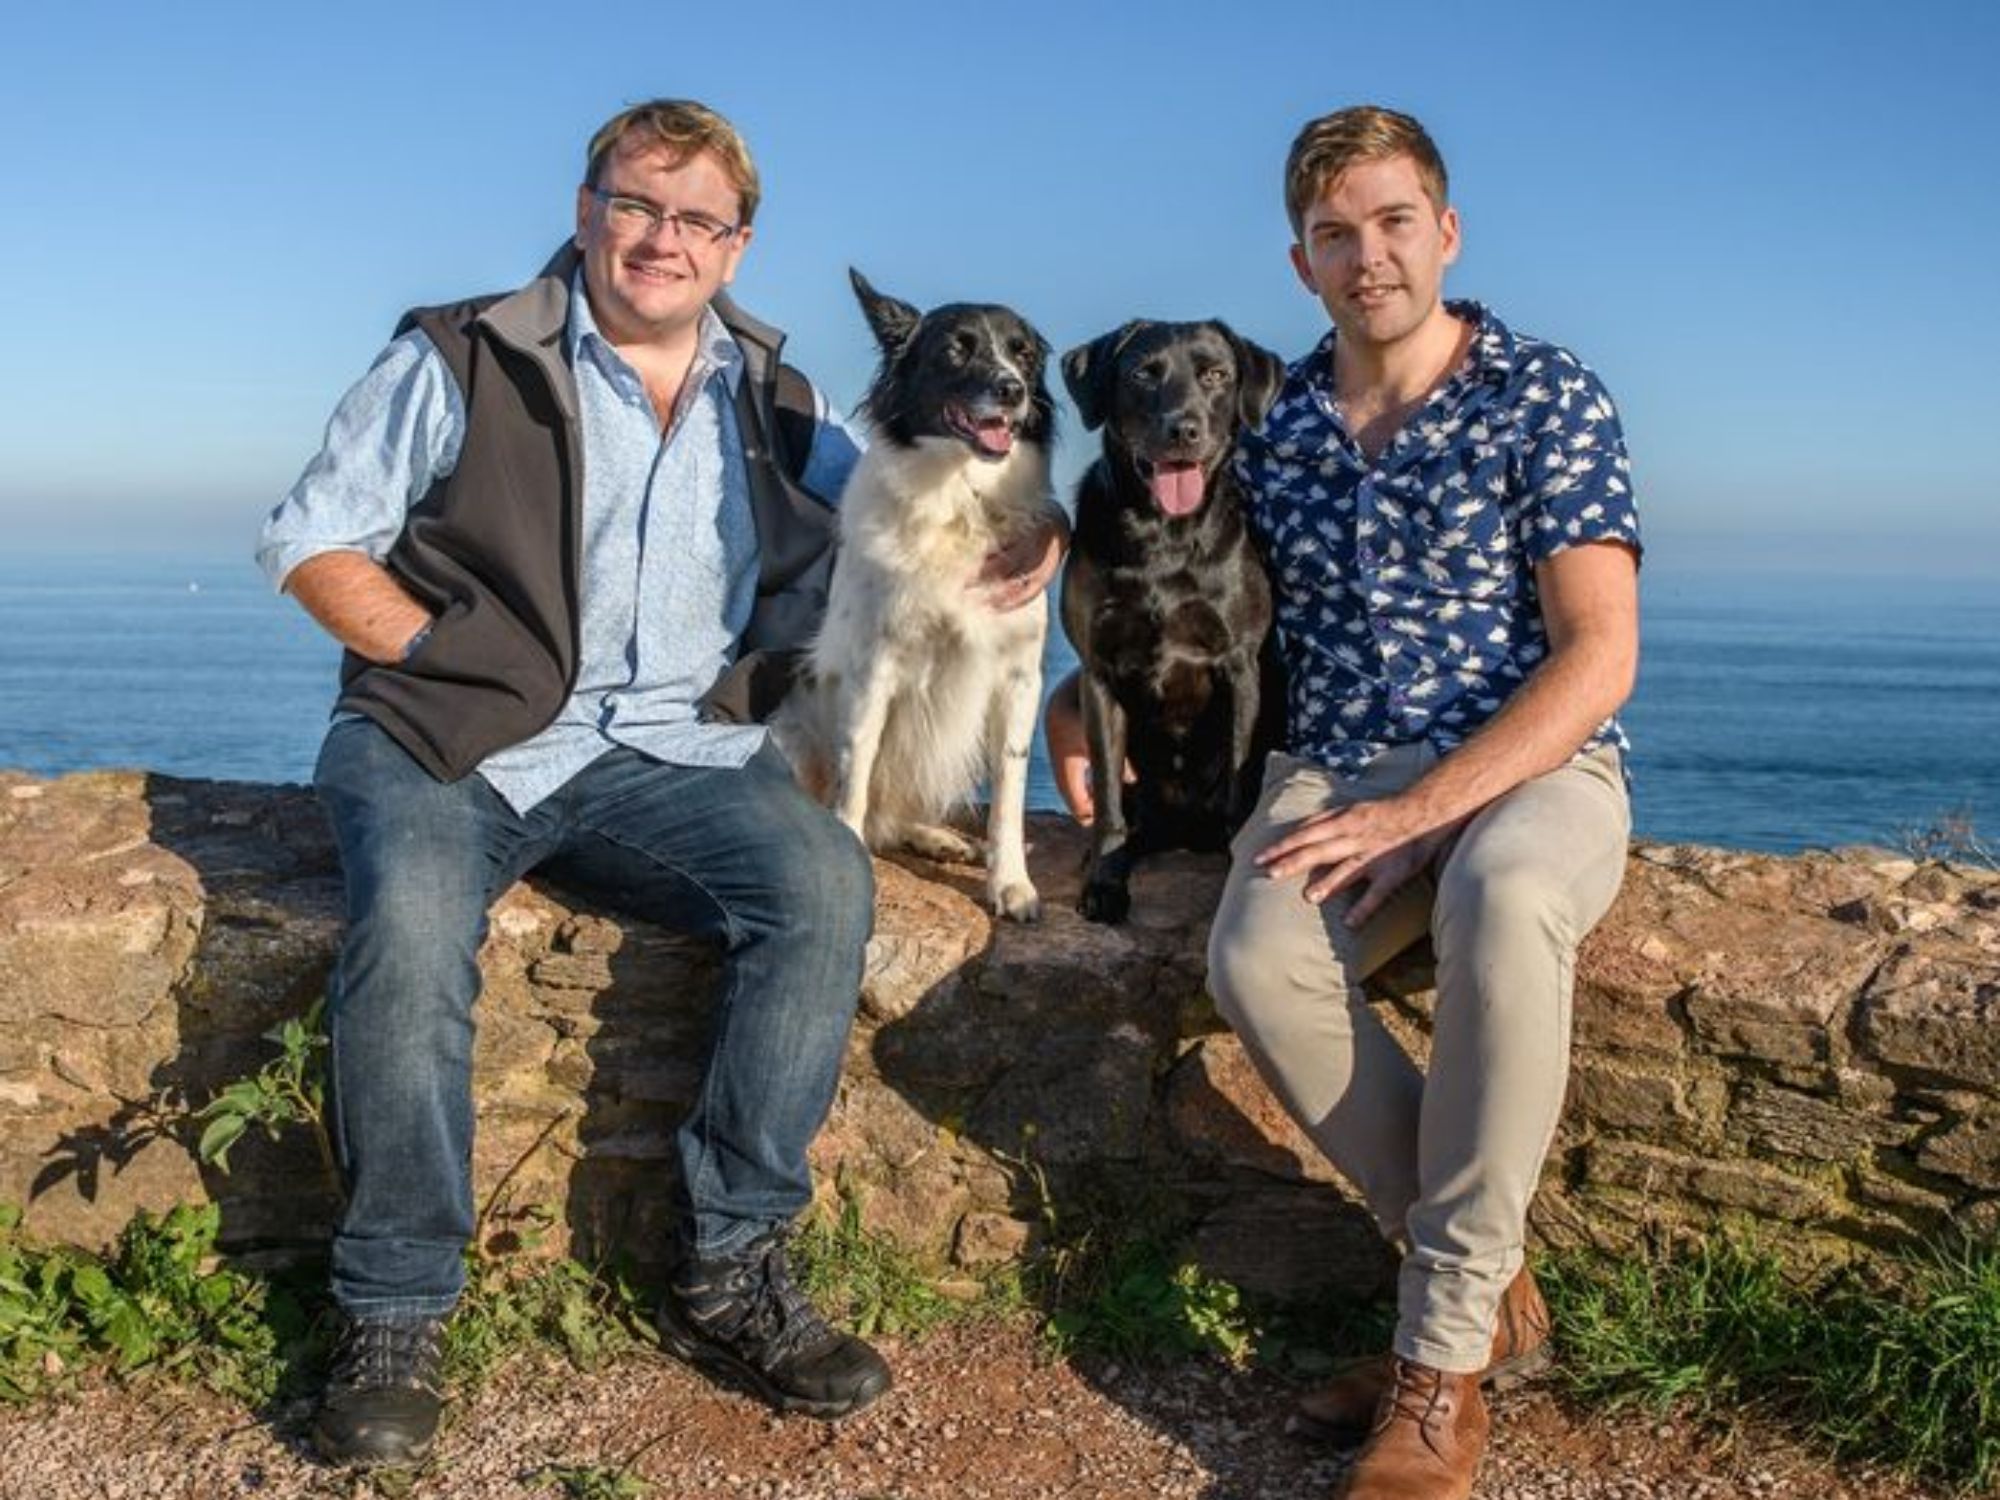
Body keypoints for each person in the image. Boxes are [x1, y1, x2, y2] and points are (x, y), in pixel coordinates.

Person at [259, 98, 1061, 1469]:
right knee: (407, 939)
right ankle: (394, 1309)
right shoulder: (459, 354)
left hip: (670, 755)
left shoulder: (776, 398)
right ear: (587, 209)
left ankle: (730, 1267)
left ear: (737, 247)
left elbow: (923, 497)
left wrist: (1036, 536)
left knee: (823, 888)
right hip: (451, 744)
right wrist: (444, 659)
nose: (661, 239)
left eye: (697, 219)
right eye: (637, 205)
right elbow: (314, 542)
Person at [1049, 104, 1639, 1500]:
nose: (1365, 256)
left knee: (1503, 901)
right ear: (1302, 262)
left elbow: (1600, 655)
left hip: (1532, 758)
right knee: (1254, 958)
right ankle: (1493, 1295)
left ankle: (1436, 1370)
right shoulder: (1280, 420)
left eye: (1390, 224)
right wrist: (1078, 696)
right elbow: (1177, 581)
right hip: (1332, 768)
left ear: (1445, 232)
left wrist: (1431, 804)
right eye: (1333, 235)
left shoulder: (1545, 395)